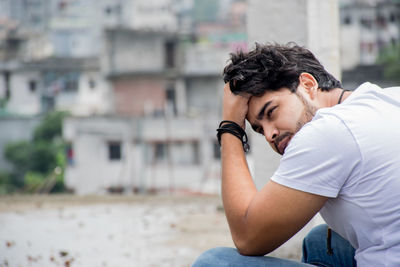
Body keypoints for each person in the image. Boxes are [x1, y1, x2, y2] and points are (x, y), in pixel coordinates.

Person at [191, 43, 400, 266]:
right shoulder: (385, 99)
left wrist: (231, 127)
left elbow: (247, 237)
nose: (270, 134)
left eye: (271, 112)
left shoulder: (327, 132)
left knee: (214, 262)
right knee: (321, 241)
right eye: (260, 130)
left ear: (308, 84)